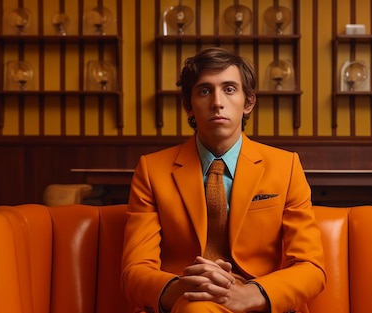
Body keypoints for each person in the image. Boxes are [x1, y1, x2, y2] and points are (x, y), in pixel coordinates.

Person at [121, 47, 326, 313]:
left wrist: (250, 294)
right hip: (185, 301)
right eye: (205, 91)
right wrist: (185, 288)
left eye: (229, 89)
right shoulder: (151, 170)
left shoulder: (285, 167)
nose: (217, 101)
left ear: (248, 102)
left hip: (258, 302)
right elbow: (134, 271)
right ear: (188, 106)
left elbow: (311, 268)